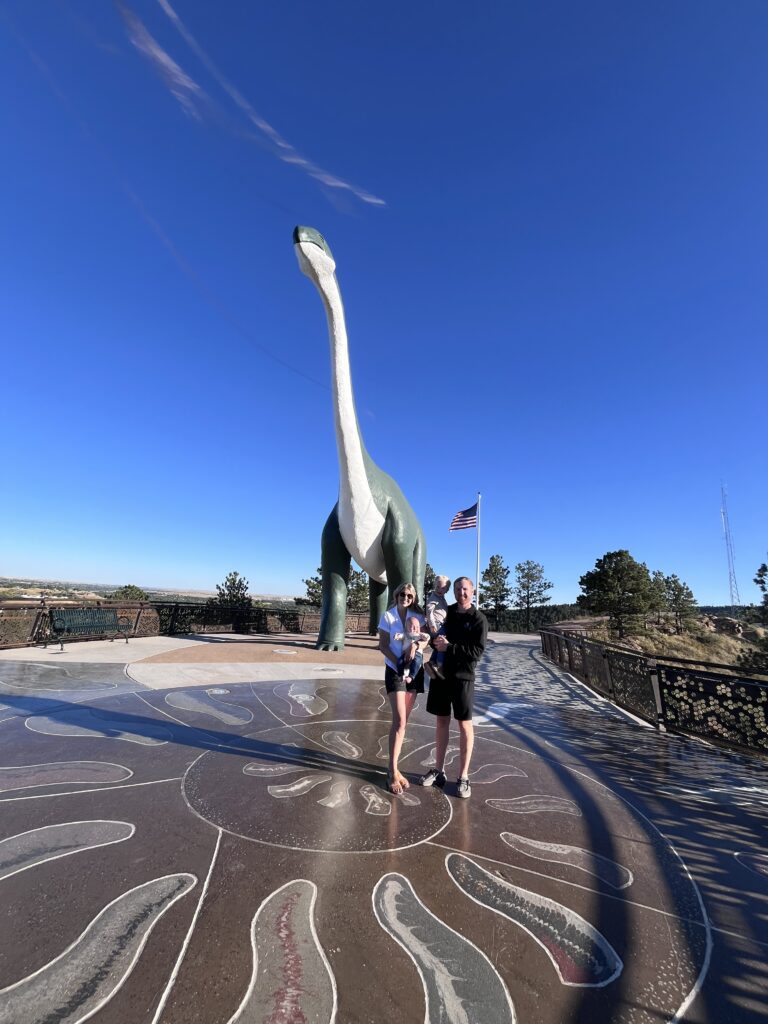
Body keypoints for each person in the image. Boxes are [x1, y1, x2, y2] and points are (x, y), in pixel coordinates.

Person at [420, 576, 488, 799]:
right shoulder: (446, 612)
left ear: (473, 591)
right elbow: (435, 637)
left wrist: (450, 647)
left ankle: (463, 776)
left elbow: (476, 653)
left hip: (463, 679)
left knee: (464, 725)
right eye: (458, 589)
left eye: (465, 589)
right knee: (441, 722)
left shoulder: (479, 620)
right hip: (441, 676)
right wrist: (433, 641)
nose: (462, 592)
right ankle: (439, 771)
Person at [378, 582, 428, 795]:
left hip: (414, 673)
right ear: (396, 595)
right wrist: (399, 660)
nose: (405, 597)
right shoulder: (388, 617)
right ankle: (391, 771)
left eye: (409, 595)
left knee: (403, 723)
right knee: (399, 721)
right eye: (402, 594)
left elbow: (426, 640)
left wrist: (415, 647)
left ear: (413, 598)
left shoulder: (418, 617)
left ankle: (396, 769)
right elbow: (383, 645)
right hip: (396, 671)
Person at [424, 575, 451, 679]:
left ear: (447, 589)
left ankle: (432, 662)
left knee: (437, 646)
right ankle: (439, 665)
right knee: (441, 645)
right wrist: (432, 625)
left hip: (440, 624)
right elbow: (429, 611)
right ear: (434, 585)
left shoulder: (441, 598)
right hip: (436, 625)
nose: (440, 589)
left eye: (443, 588)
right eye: (438, 586)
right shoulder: (433, 597)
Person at [394, 615, 430, 683]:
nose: (415, 629)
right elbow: (401, 636)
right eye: (412, 627)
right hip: (405, 653)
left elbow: (427, 637)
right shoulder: (406, 634)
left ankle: (411, 676)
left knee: (416, 662)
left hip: (417, 654)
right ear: (407, 628)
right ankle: (401, 675)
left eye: (417, 627)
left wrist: (425, 636)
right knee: (399, 662)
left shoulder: (419, 634)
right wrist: (397, 636)